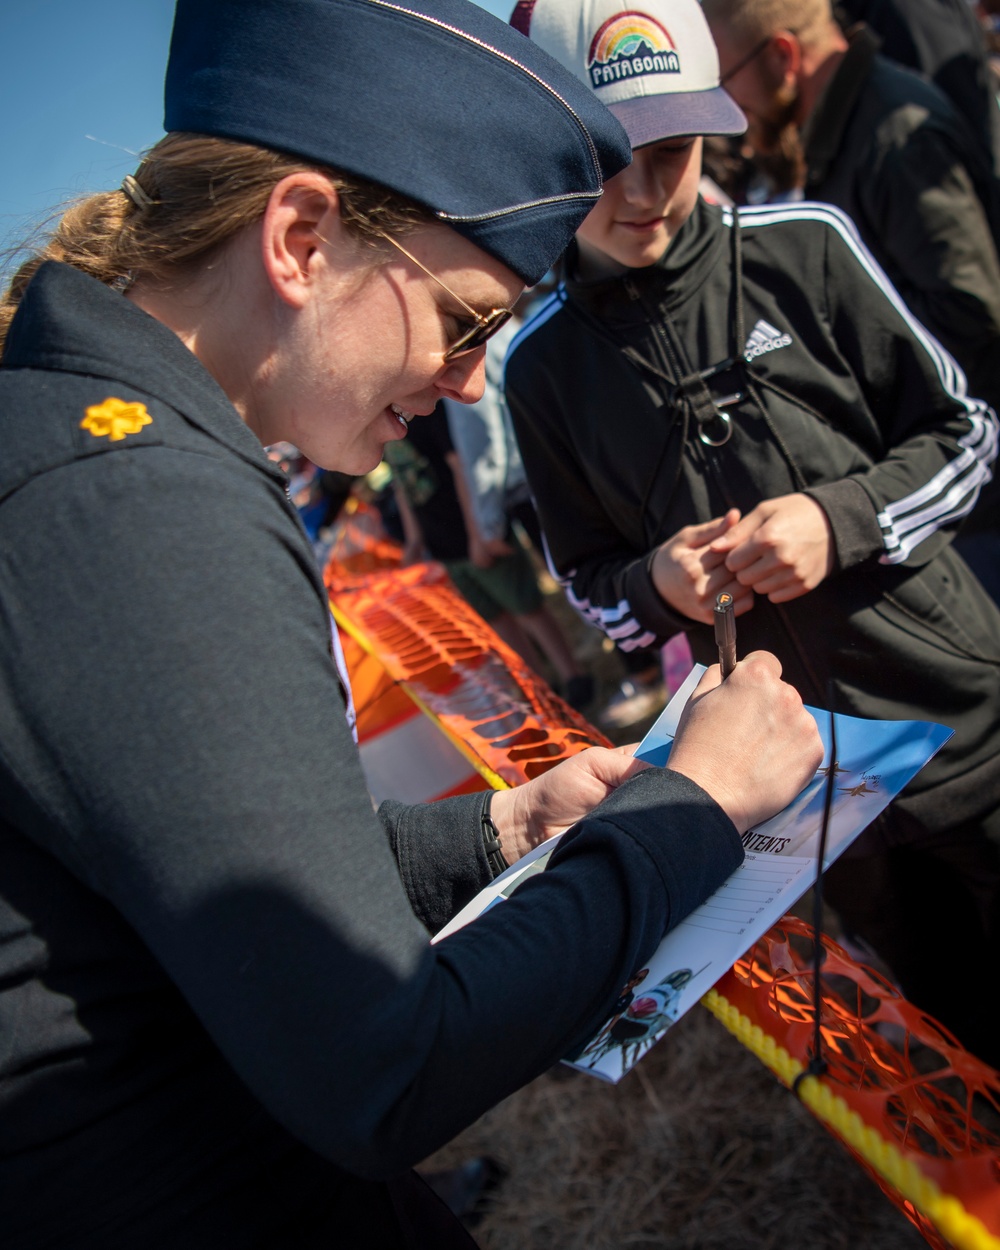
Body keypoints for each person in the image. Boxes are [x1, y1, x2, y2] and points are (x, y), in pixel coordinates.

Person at [0, 0, 824, 1246]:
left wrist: (499, 831)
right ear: (300, 237)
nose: (469, 382)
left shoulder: (102, 447)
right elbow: (380, 1062)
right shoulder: (138, 496)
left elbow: (224, 870)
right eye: (466, 320)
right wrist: (694, 810)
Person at [506, 0, 1000, 1068]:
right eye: (604, 162)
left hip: (959, 719)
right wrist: (655, 584)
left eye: (672, 150)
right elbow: (589, 584)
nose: (642, 193)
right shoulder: (539, 369)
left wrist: (841, 515)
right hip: (807, 792)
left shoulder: (805, 247)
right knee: (949, 1025)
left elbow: (965, 430)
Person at [701, 0, 1000, 595]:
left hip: (978, 490)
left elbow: (973, 314)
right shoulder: (836, 129)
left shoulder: (894, 136)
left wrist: (823, 358)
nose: (730, 107)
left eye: (726, 80)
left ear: (784, 56)